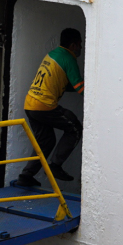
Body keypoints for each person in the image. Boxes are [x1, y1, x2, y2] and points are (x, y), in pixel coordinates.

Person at [16, 28, 84, 186]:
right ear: (73, 45)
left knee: (46, 142)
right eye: (79, 44)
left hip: (30, 104)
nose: (80, 48)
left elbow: (62, 83)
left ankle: (26, 176)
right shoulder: (69, 58)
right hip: (44, 105)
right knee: (74, 128)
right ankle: (55, 166)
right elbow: (80, 88)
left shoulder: (52, 54)